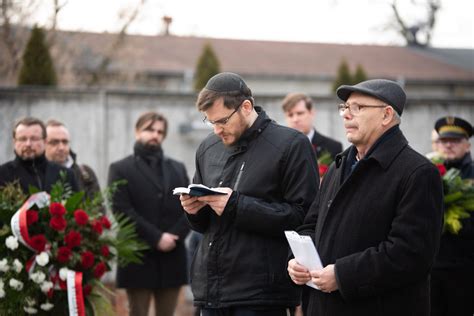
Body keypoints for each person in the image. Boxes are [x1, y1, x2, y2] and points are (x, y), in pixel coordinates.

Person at [288, 79, 444, 316]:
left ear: (386, 115)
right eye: (345, 108)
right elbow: (312, 224)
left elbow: (410, 254)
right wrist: (297, 260)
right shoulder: (338, 166)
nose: (346, 115)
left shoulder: (418, 173)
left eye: (357, 108)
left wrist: (342, 276)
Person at [179, 72, 319, 316]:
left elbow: (303, 217)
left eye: (222, 121)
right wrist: (193, 211)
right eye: (210, 122)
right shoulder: (207, 148)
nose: (216, 130)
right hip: (211, 293)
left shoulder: (291, 145)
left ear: (246, 106)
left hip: (260, 295)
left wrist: (235, 205)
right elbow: (205, 225)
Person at [108, 111, 190, 316]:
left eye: (160, 131)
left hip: (172, 256)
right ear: (137, 132)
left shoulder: (177, 168)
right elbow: (121, 210)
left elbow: (190, 207)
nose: (155, 135)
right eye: (149, 129)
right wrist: (157, 238)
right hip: (138, 256)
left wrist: (174, 237)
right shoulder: (120, 168)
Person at [430, 116, 474, 316]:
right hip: (431, 267)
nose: (448, 145)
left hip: (464, 268)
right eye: (444, 141)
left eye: (455, 141)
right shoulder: (427, 172)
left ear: (467, 146)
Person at [0, 117, 78, 194]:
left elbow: (78, 206)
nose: (28, 144)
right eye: (22, 139)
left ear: (44, 141)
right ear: (14, 142)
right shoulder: (3, 174)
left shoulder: (66, 174)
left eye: (34, 139)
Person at [45, 119, 101, 200]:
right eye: (54, 142)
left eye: (65, 142)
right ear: (42, 144)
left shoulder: (85, 173)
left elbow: (98, 208)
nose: (61, 147)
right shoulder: (37, 174)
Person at [282, 92, 342, 159]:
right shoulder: (280, 148)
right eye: (290, 115)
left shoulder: (333, 147)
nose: (295, 119)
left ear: (312, 113)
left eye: (300, 113)